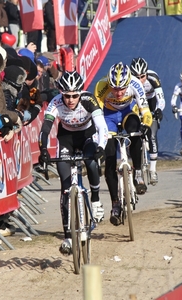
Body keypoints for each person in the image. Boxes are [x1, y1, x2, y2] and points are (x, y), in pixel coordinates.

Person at [38, 70, 108, 255]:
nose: (70, 100)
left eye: (74, 96)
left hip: (87, 136)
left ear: (80, 93)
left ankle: (95, 200)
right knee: (65, 186)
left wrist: (100, 147)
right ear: (61, 94)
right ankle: (68, 236)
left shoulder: (88, 100)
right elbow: (45, 129)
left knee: (92, 163)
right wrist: (43, 150)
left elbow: (102, 126)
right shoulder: (56, 103)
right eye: (67, 96)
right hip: (66, 139)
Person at [94, 62, 152, 226]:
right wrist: (101, 135)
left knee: (136, 131)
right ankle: (115, 204)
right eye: (114, 88)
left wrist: (146, 126)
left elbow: (145, 112)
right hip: (108, 117)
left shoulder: (136, 84)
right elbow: (96, 114)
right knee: (110, 157)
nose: (118, 92)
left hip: (127, 113)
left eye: (122, 89)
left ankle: (138, 174)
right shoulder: (101, 86)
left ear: (128, 83)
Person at [130, 57, 165, 185]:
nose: (140, 79)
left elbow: (161, 98)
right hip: (136, 103)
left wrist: (159, 110)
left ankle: (153, 169)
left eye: (143, 76)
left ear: (146, 73)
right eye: (136, 77)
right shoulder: (128, 80)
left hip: (150, 102)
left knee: (152, 135)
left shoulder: (153, 77)